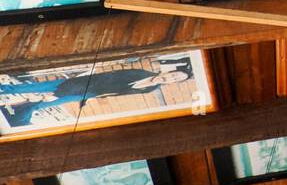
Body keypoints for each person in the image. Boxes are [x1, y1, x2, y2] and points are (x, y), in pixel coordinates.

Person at [0, 63, 193, 125]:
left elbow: (115, 93)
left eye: (177, 79)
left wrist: (90, 96)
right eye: (174, 74)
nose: (173, 78)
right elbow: (103, 79)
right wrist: (62, 90)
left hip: (88, 93)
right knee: (33, 89)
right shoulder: (140, 73)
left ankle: (18, 115)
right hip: (80, 83)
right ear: (168, 71)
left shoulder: (152, 88)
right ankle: (5, 90)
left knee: (44, 104)